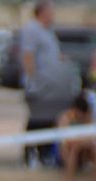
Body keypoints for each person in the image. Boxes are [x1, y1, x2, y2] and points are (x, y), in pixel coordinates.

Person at [20, 1, 78, 167]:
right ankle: (30, 153)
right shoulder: (32, 29)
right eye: (51, 11)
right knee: (37, 119)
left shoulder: (49, 31)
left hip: (54, 86)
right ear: (42, 12)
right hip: (40, 86)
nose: (53, 14)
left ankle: (45, 153)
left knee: (51, 119)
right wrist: (34, 80)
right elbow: (28, 56)